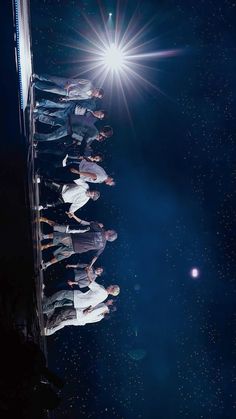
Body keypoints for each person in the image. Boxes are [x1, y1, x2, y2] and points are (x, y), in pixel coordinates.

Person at [40, 217, 117, 270]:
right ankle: (46, 265)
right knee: (61, 256)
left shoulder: (100, 231)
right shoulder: (102, 246)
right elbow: (95, 257)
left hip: (74, 239)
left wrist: (98, 225)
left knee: (58, 236)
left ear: (110, 233)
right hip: (76, 249)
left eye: (109, 230)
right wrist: (90, 265)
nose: (108, 230)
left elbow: (92, 223)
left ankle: (43, 237)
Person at [44, 300, 115, 336]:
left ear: (111, 304)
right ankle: (49, 328)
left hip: (80, 316)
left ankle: (49, 327)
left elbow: (91, 313)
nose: (110, 300)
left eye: (111, 300)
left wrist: (86, 312)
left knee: (63, 317)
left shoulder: (103, 308)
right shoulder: (103, 310)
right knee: (63, 320)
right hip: (81, 318)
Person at [42, 282, 120, 314]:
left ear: (111, 289)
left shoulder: (102, 291)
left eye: (112, 286)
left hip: (78, 298)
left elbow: (90, 283)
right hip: (79, 303)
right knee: (58, 303)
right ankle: (43, 310)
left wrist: (88, 272)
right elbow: (94, 304)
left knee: (61, 293)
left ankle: (43, 304)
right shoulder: (104, 296)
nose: (111, 285)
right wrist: (88, 308)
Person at [34, 115, 113, 144]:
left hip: (72, 120)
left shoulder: (95, 127)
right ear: (104, 135)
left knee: (55, 121)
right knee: (52, 136)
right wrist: (72, 132)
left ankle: (37, 116)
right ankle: (36, 137)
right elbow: (80, 132)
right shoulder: (94, 134)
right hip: (71, 127)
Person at [33, 74, 104, 100]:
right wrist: (69, 85)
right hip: (67, 83)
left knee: (50, 89)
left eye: (97, 96)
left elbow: (77, 98)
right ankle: (37, 76)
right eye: (97, 94)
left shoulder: (87, 97)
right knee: (52, 79)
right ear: (97, 89)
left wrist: (66, 98)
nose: (96, 95)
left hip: (66, 92)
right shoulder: (89, 83)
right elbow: (78, 81)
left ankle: (35, 84)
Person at [34, 108, 108, 128]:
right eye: (100, 114)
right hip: (71, 111)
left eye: (100, 116)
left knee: (55, 121)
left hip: (70, 121)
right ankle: (38, 111)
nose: (98, 115)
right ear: (100, 110)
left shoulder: (92, 120)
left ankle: (37, 116)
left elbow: (82, 123)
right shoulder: (92, 106)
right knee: (54, 112)